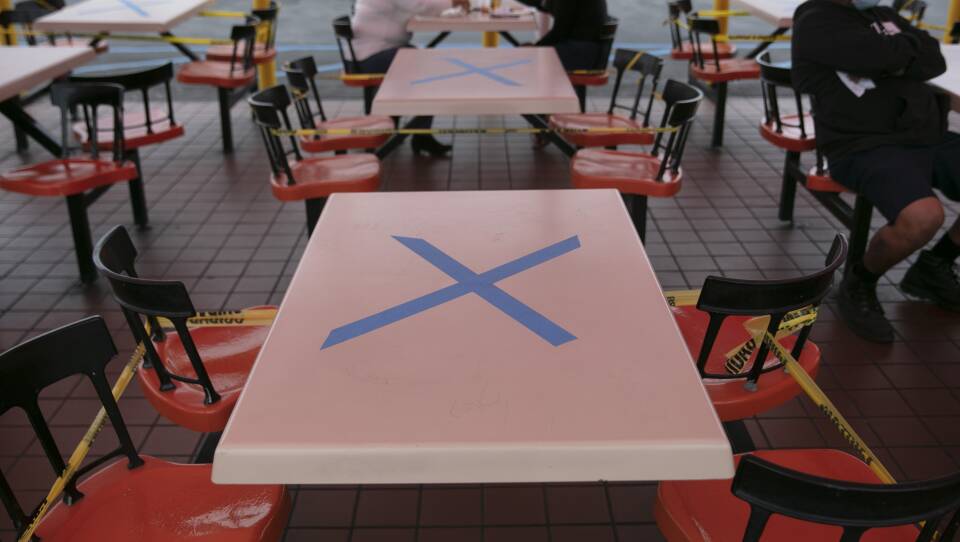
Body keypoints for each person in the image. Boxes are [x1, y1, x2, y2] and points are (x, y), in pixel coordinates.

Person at [792, 0, 960, 343]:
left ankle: (936, 265)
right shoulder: (815, 19)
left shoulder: (879, 15)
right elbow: (877, 55)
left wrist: (891, 59)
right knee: (923, 217)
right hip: (861, 145)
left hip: (924, 134)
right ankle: (860, 281)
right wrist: (899, 56)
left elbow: (933, 57)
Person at [351, 0, 470, 156]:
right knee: (429, 67)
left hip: (370, 51)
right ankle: (420, 134)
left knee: (421, 61)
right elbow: (421, 5)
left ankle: (406, 125)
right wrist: (455, 2)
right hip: (370, 56)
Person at [515, 0, 609, 70]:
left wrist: (537, 48)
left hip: (582, 52)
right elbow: (550, 6)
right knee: (523, 57)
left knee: (523, 60)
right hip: (590, 49)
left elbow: (560, 32)